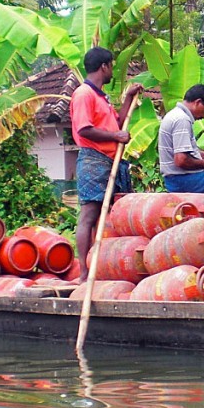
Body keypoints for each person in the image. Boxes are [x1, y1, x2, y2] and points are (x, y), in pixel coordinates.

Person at [70, 46, 143, 278]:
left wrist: (129, 97)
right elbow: (85, 129)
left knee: (113, 216)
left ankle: (104, 267)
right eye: (111, 65)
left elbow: (117, 124)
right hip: (94, 160)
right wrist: (115, 137)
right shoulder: (84, 94)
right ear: (104, 66)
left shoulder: (101, 96)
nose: (112, 70)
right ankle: (84, 271)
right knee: (89, 215)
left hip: (111, 161)